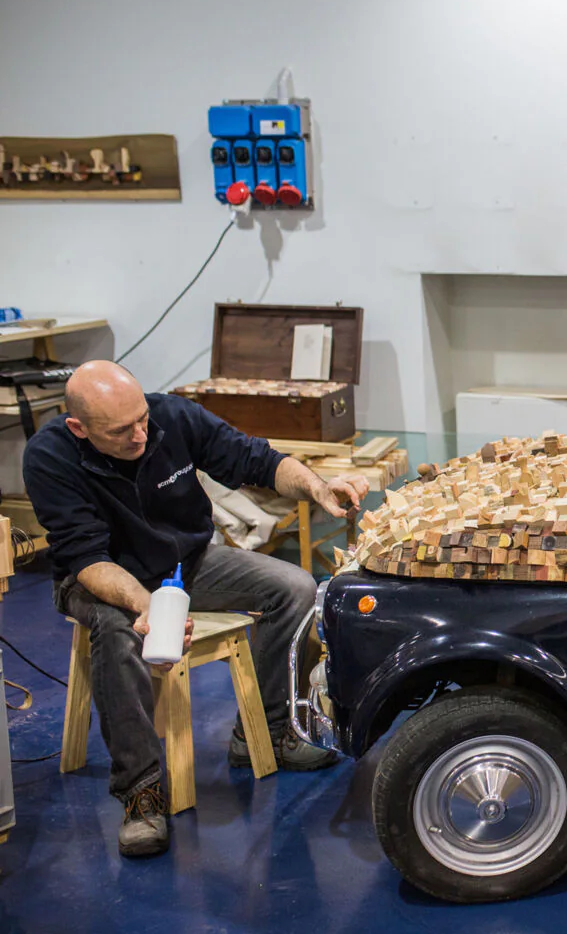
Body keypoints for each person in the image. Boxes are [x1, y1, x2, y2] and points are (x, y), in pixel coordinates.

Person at [22, 361, 371, 858]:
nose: (140, 435)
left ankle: (267, 734)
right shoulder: (49, 456)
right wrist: (148, 607)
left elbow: (257, 460)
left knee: (294, 587)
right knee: (118, 631)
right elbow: (86, 558)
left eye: (141, 419)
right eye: (120, 431)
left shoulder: (172, 416)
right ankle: (141, 791)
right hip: (101, 576)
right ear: (79, 428)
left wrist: (318, 488)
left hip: (186, 563)